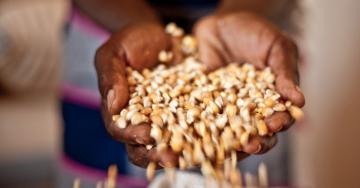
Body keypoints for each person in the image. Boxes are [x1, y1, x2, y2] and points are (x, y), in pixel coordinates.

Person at [62, 0, 304, 186]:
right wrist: (132, 22)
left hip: (252, 35)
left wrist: (244, 10)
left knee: (253, 161)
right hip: (111, 26)